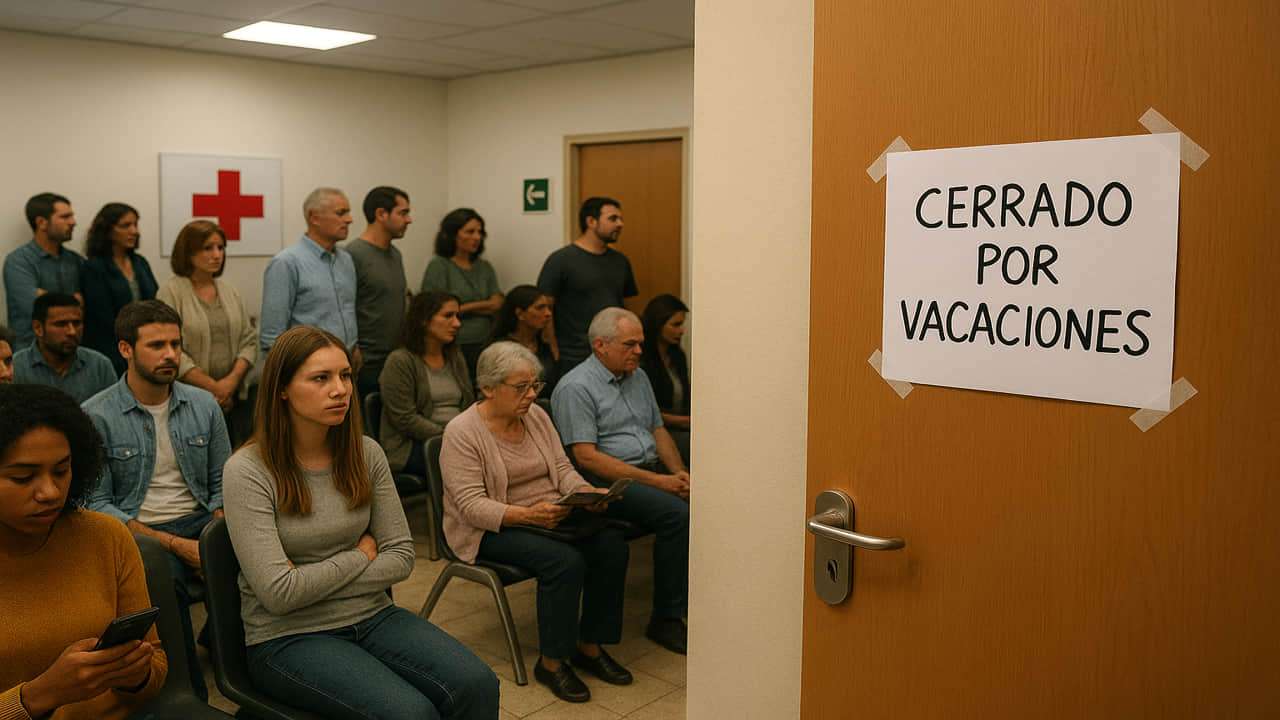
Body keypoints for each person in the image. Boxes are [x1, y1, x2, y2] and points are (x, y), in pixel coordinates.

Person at [222, 325, 499, 719]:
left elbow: (402, 557)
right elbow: (279, 594)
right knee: (411, 714)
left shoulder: (365, 453)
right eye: (321, 378)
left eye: (345, 375)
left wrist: (309, 579)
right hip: (287, 637)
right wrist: (360, 555)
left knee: (478, 684)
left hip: (372, 615)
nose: (341, 390)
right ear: (282, 389)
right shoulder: (248, 470)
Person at [442, 342, 629, 703]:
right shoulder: (462, 432)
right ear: (488, 388)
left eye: (535, 386)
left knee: (611, 546)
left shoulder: (536, 416)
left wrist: (586, 492)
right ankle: (553, 662)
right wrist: (528, 515)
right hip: (491, 528)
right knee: (564, 562)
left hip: (550, 514)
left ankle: (590, 646)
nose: (531, 395)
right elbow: (470, 507)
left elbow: (561, 469)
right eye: (521, 387)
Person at [82, 300, 231, 701]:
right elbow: (98, 504)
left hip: (201, 518)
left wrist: (216, 531)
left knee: (254, 556)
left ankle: (247, 668)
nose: (170, 355)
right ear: (126, 349)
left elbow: (223, 482)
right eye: (156, 345)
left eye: (175, 344)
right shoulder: (96, 416)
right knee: (165, 579)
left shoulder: (203, 405)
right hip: (139, 528)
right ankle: (188, 696)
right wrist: (177, 546)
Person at [0, 384, 167, 720]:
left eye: (62, 471)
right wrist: (37, 696)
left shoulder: (105, 537)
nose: (50, 492)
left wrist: (136, 676)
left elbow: (157, 665)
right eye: (22, 477)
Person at [551, 307, 690, 655]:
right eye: (630, 344)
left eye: (641, 343)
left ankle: (692, 598)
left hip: (647, 468)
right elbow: (587, 458)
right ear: (600, 345)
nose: (640, 351)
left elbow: (657, 429)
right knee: (678, 514)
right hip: (606, 482)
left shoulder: (637, 376)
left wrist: (677, 473)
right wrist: (660, 484)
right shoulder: (576, 387)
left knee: (702, 496)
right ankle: (666, 618)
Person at [157, 220, 257, 446]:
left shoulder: (230, 291)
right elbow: (169, 346)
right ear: (188, 252)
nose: (217, 254)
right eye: (208, 248)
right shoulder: (171, 291)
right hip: (188, 398)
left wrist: (229, 384)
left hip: (233, 398)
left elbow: (249, 340)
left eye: (220, 248)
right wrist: (213, 388)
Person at [537, 196, 636, 379]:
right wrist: (554, 350)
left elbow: (627, 307)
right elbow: (544, 308)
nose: (620, 224)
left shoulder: (620, 262)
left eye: (621, 219)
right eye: (613, 218)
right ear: (591, 221)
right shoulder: (561, 260)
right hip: (573, 355)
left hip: (613, 354)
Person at [259, 188, 359, 365]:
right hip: (308, 368)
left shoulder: (346, 260)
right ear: (314, 218)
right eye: (341, 213)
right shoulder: (286, 263)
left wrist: (355, 348)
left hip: (346, 364)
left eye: (348, 213)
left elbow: (348, 312)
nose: (349, 220)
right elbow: (271, 337)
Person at [378, 291, 473, 476]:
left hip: (458, 438)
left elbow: (469, 403)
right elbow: (405, 419)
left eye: (458, 316)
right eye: (448, 316)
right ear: (423, 320)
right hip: (415, 444)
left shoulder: (454, 356)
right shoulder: (400, 360)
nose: (457, 323)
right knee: (470, 463)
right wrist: (451, 435)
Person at [420, 208, 502, 378]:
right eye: (470, 231)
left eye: (480, 232)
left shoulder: (484, 267)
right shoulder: (439, 266)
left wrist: (464, 307)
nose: (477, 237)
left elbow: (498, 303)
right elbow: (432, 309)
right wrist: (483, 304)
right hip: (453, 345)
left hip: (485, 342)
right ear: (452, 235)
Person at [347, 186, 412, 398]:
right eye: (403, 213)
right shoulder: (352, 255)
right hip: (365, 361)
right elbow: (343, 305)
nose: (409, 220)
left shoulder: (396, 254)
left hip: (395, 357)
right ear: (381, 214)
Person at [80, 203, 159, 375]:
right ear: (107, 230)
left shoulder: (140, 262)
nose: (134, 231)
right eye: (126, 226)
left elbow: (155, 302)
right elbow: (102, 316)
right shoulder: (94, 268)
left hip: (146, 344)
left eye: (135, 225)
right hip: (111, 350)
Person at [4, 193, 84, 349]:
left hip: (71, 352)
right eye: (65, 217)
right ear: (42, 223)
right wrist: (74, 301)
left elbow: (91, 306)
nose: (73, 222)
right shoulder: (19, 261)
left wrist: (46, 295)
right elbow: (34, 307)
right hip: (29, 354)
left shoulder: (77, 261)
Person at [12, 293, 116, 403]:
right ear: (38, 328)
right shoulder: (16, 368)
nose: (72, 331)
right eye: (61, 324)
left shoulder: (100, 366)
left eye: (77, 323)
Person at [639, 294, 691, 463]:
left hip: (682, 425)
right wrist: (685, 422)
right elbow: (644, 412)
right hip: (656, 430)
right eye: (675, 325)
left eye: (681, 324)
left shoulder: (677, 355)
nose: (682, 330)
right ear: (658, 324)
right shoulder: (641, 358)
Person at [488, 285, 558, 398]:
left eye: (549, 308)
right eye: (540, 308)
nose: (548, 314)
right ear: (520, 314)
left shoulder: (543, 346)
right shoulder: (500, 350)